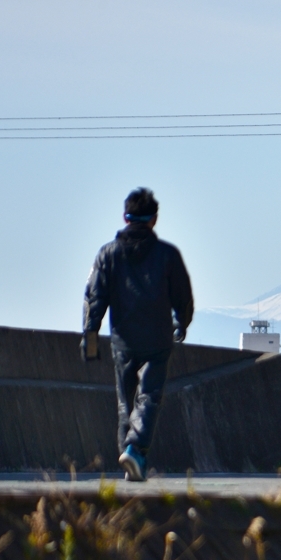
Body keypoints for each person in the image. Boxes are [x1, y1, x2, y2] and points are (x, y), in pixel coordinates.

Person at [81, 188, 193, 482]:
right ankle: (135, 449)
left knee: (125, 402)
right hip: (157, 340)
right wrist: (183, 322)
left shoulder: (107, 254)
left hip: (123, 341)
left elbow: (95, 298)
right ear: (154, 219)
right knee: (149, 397)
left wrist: (90, 336)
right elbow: (183, 297)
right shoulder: (168, 255)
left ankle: (130, 457)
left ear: (125, 217)